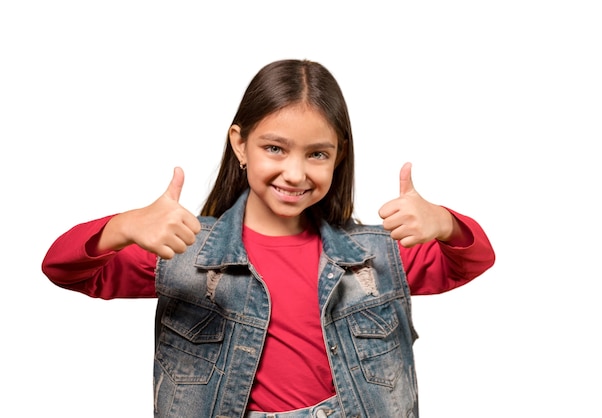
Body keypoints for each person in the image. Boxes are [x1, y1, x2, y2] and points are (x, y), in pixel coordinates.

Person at [42, 59, 495, 418]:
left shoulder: (377, 256)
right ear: (240, 144)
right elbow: (63, 269)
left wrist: (446, 224)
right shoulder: (181, 251)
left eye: (317, 154)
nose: (295, 173)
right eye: (274, 148)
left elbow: (470, 261)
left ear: (338, 157)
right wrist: (121, 226)